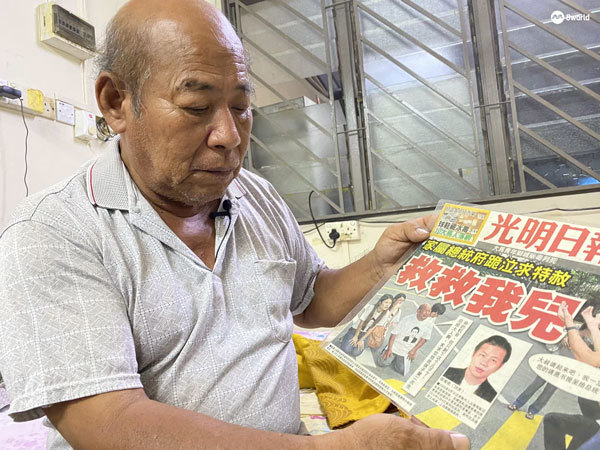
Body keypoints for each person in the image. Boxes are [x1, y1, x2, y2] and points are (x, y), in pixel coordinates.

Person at [0, 1, 469, 449]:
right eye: (196, 108)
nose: (229, 137)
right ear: (117, 102)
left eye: (241, 107)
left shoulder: (254, 194)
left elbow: (310, 300)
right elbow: (107, 425)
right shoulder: (54, 231)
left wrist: (380, 266)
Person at [542, 303, 600, 450]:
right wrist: (591, 326)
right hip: (594, 419)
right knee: (553, 420)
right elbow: (594, 357)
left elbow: (591, 358)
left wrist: (569, 323)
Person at [376, 303, 446, 376]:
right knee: (382, 363)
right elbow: (394, 333)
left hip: (408, 347)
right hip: (397, 345)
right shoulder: (409, 319)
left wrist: (414, 350)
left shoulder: (431, 321)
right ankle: (387, 350)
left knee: (401, 369)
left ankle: (399, 358)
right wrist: (389, 348)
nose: (435, 315)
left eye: (437, 315)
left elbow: (424, 338)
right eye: (435, 313)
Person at [443, 335, 512, 402]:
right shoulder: (446, 372)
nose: (484, 363)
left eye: (493, 360)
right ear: (474, 354)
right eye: (482, 355)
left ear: (499, 367)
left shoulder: (491, 397)